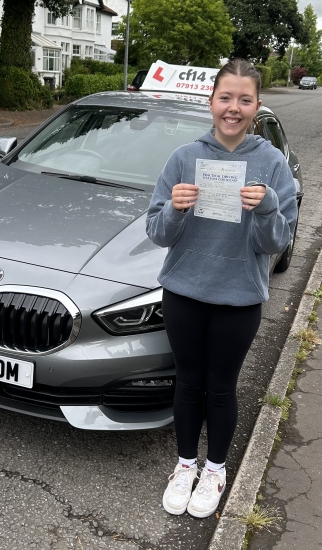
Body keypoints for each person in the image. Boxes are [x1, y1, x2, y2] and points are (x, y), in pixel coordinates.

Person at [146, 59, 298, 518]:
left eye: (244, 100)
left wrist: (269, 208)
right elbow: (157, 232)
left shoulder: (271, 163)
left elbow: (276, 244)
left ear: (257, 105)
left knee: (221, 386)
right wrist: (174, 209)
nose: (233, 108)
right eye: (225, 98)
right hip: (183, 292)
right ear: (211, 102)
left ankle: (215, 469)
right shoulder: (184, 157)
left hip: (238, 297)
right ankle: (185, 464)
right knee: (188, 382)